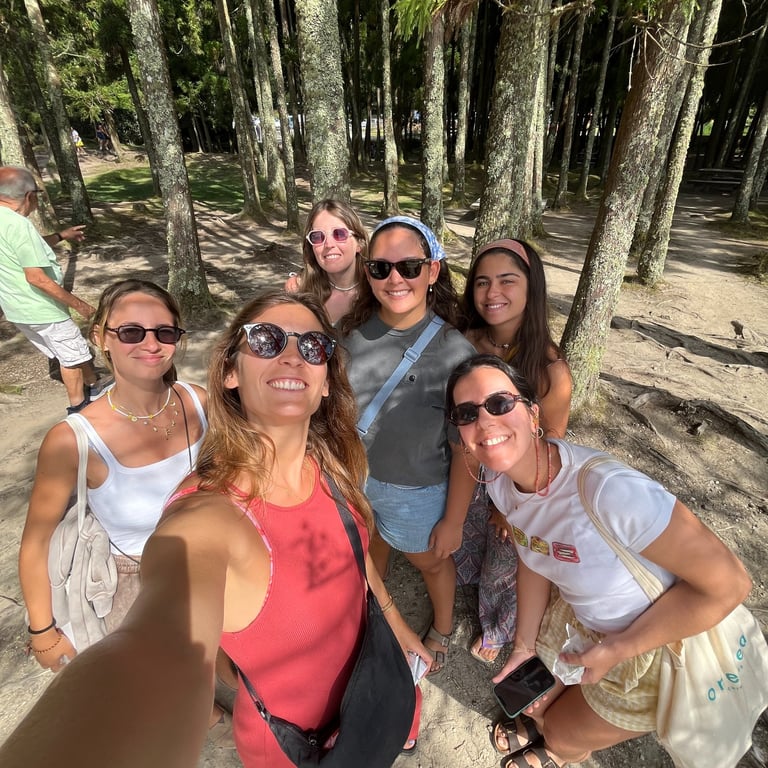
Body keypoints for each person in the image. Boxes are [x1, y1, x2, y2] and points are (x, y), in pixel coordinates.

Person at [1, 290, 431, 768]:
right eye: (266, 339)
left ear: (327, 381)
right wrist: (44, 632)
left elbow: (354, 558)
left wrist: (395, 624)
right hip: (297, 748)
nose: (293, 355)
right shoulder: (209, 519)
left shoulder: (327, 464)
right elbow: (152, 644)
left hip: (371, 692)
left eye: (313, 346)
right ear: (230, 373)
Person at [445, 354, 752, 768]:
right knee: (538, 707)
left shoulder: (609, 491)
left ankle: (558, 751)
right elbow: (533, 553)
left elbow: (732, 584)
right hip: (577, 620)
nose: (484, 422)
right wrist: (523, 647)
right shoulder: (500, 481)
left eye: (499, 403)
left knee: (561, 730)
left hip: (654, 647)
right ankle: (543, 725)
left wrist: (619, 648)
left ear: (532, 413)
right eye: (467, 413)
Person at [18, 279, 208, 672]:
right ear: (101, 338)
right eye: (132, 332)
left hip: (212, 563)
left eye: (164, 332)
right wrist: (43, 633)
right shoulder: (72, 440)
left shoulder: (199, 402)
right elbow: (36, 541)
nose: (151, 344)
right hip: (137, 588)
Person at [340, 215, 476, 678]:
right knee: (369, 542)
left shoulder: (456, 353)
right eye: (381, 268)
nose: (395, 278)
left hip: (416, 491)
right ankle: (373, 608)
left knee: (430, 562)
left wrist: (453, 520)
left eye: (409, 267)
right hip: (355, 477)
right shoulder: (350, 335)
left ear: (433, 270)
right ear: (368, 273)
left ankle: (443, 626)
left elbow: (465, 450)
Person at [455, 238, 573, 665]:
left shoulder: (550, 369)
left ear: (531, 287)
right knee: (465, 537)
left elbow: (549, 447)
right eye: (482, 282)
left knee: (507, 554)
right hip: (469, 464)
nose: (492, 293)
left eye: (507, 280)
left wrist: (511, 506)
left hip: (519, 482)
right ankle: (466, 586)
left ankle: (498, 625)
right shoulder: (462, 342)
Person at [0, 165, 103, 413]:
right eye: (38, 193)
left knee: (70, 349)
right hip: (42, 309)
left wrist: (61, 235)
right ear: (29, 196)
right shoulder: (19, 225)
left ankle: (94, 383)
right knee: (72, 358)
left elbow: (26, 249)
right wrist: (81, 306)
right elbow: (37, 278)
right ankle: (79, 409)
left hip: (17, 309)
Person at [284, 198, 368, 324]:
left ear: (359, 244)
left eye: (339, 234)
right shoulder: (300, 290)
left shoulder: (377, 289)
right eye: (318, 236)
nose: (328, 244)